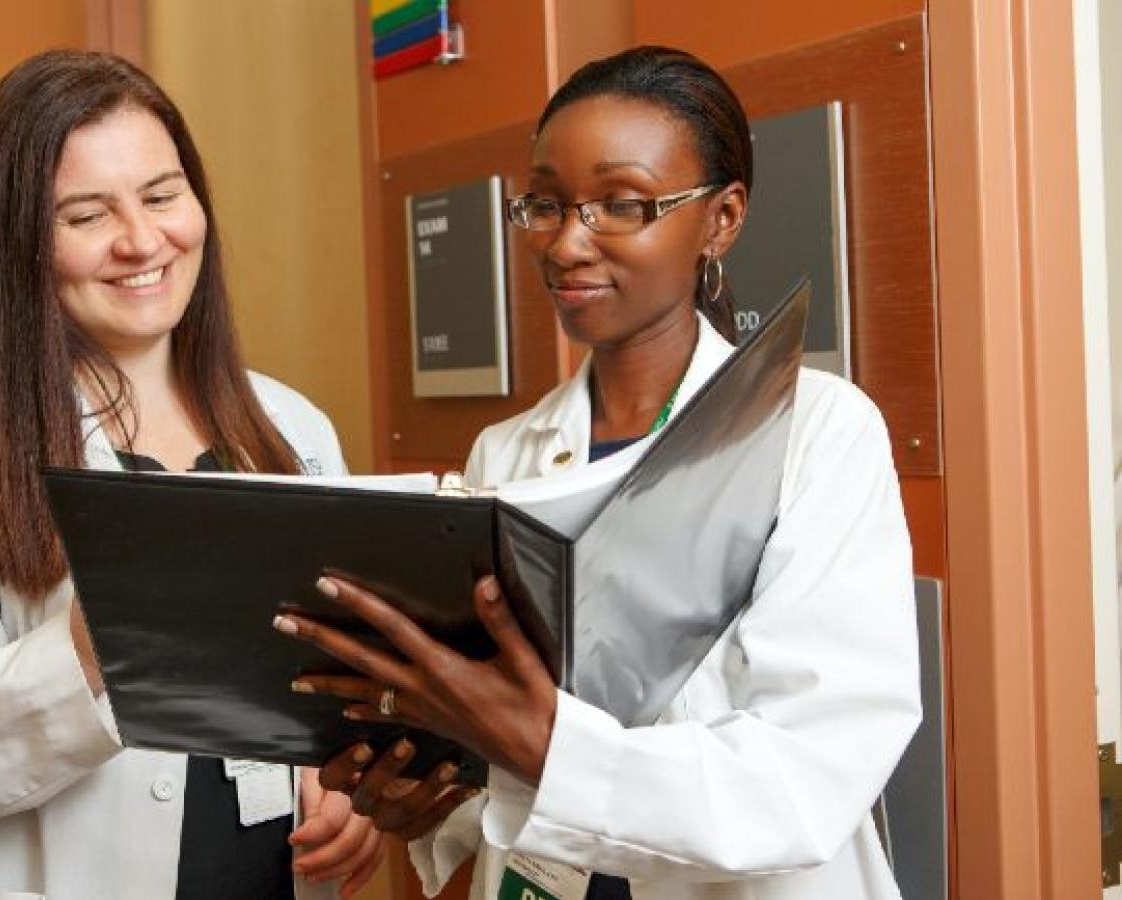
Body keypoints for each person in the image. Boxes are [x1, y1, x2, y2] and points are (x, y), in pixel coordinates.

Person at [274, 46, 920, 900]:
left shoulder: (817, 432)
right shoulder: (505, 455)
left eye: (622, 204)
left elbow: (805, 777)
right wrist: (431, 794)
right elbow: (496, 783)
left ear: (722, 219)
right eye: (546, 204)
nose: (567, 242)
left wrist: (540, 744)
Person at [0, 50, 384, 900]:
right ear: (18, 244)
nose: (142, 240)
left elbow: (328, 691)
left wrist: (347, 787)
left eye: (162, 196)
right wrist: (87, 652)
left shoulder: (292, 430)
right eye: (87, 215)